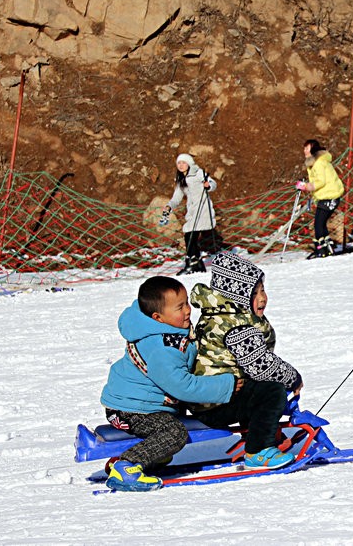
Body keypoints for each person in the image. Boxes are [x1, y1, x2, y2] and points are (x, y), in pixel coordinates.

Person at [99, 275, 238, 491]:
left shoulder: (163, 327)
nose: (188, 311)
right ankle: (127, 465)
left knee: (172, 429)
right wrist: (225, 385)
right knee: (174, 433)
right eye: (179, 307)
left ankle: (148, 457)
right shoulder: (162, 347)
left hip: (143, 404)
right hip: (130, 410)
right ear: (158, 317)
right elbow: (181, 386)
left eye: (187, 304)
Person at [188, 251, 302, 468]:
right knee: (271, 391)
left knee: (256, 388)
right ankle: (258, 450)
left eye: (263, 290)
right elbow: (261, 365)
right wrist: (293, 378)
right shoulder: (236, 325)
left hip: (212, 397)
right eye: (255, 293)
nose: (263, 297)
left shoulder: (223, 314)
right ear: (237, 296)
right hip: (214, 404)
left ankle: (256, 433)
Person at [160, 153, 218, 275]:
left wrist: (208, 186)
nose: (181, 165)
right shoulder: (181, 179)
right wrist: (169, 206)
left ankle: (192, 262)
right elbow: (177, 197)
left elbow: (213, 184)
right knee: (190, 235)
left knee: (189, 234)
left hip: (203, 209)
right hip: (192, 211)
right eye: (179, 163)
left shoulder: (198, 172)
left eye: (183, 162)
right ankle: (196, 263)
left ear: (189, 163)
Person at [295, 139, 345, 259]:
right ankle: (328, 246)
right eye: (304, 148)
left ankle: (320, 248)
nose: (304, 151)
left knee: (318, 224)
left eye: (307, 148)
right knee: (321, 224)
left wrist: (305, 186)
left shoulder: (319, 163)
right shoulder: (315, 163)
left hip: (329, 196)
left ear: (313, 149)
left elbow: (320, 181)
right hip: (326, 196)